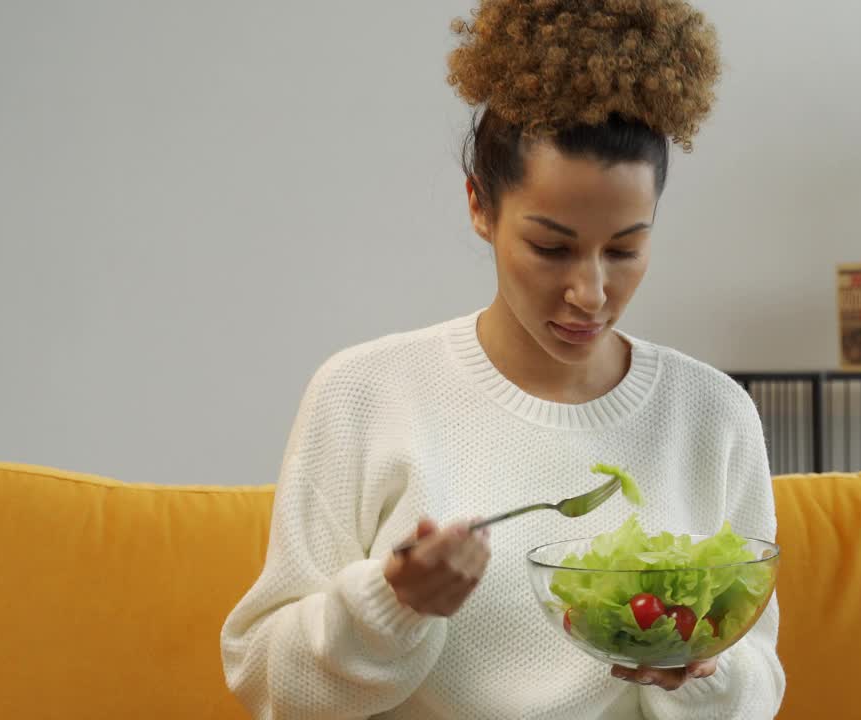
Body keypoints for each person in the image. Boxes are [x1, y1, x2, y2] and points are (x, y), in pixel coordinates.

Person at [220, 1, 785, 717]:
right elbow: (266, 682)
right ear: (480, 207)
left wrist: (704, 669)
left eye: (625, 248)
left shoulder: (711, 415)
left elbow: (759, 687)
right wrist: (393, 605)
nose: (590, 292)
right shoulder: (363, 394)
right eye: (551, 248)